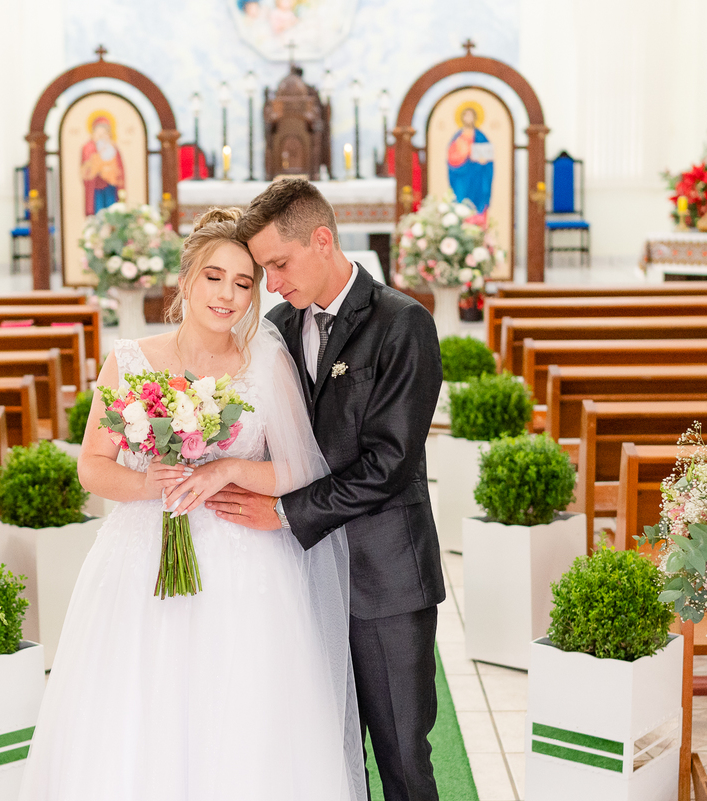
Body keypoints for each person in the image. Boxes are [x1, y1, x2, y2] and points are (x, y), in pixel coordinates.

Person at [17, 207, 365, 801]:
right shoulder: (129, 359)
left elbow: (301, 467)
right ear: (185, 281)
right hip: (140, 559)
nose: (227, 295)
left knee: (239, 711)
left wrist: (229, 470)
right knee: (142, 706)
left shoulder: (267, 362)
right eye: (214, 276)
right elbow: (93, 466)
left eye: (243, 282)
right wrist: (158, 483)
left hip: (246, 560)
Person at [209, 178, 445, 801]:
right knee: (326, 754)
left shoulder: (403, 324)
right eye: (264, 270)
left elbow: (390, 462)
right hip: (301, 580)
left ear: (322, 240)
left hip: (384, 576)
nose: (273, 283)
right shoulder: (279, 328)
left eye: (278, 265)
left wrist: (285, 511)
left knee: (402, 757)